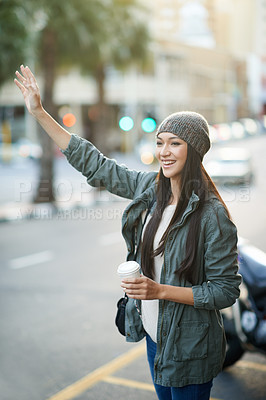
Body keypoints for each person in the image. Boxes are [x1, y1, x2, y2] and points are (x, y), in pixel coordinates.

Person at [14, 65, 241, 400]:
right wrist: (39, 113)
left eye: (175, 144)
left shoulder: (213, 216)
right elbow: (97, 165)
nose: (163, 152)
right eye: (160, 142)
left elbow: (225, 292)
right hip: (155, 337)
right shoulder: (151, 189)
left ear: (194, 151)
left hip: (190, 348)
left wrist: (158, 290)